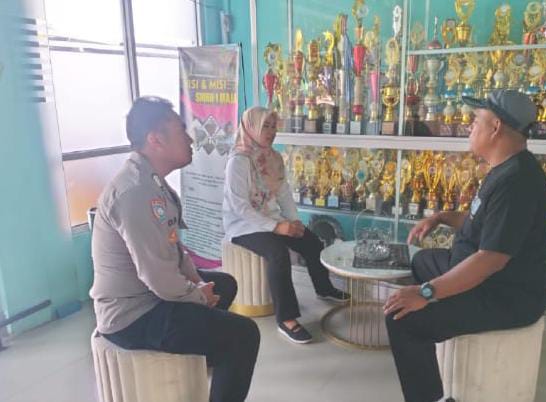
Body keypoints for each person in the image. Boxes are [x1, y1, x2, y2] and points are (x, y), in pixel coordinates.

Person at [384, 90, 546, 402]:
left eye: (476, 120)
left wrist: (426, 293)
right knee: (420, 261)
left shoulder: (516, 182)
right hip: (478, 272)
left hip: (503, 294)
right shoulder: (505, 168)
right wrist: (440, 217)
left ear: (496, 126)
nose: (469, 126)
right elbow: (479, 222)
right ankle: (432, 345)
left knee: (401, 319)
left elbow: (490, 260)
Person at [89, 96, 260, 402]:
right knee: (244, 334)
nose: (190, 139)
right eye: (181, 130)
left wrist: (197, 284)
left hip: (151, 295)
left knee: (224, 284)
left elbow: (174, 250)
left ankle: (207, 355)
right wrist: (198, 294)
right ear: (155, 139)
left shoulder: (152, 182)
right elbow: (158, 277)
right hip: (132, 314)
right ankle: (220, 352)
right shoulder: (135, 192)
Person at [223, 106, 350, 344]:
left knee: (311, 241)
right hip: (243, 225)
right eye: (265, 126)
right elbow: (240, 207)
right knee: (278, 253)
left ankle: (324, 288)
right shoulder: (238, 161)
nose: (271, 132)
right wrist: (277, 227)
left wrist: (294, 221)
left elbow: (283, 193)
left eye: (273, 126)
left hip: (271, 218)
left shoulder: (273, 157)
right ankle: (286, 318)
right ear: (251, 128)